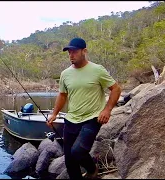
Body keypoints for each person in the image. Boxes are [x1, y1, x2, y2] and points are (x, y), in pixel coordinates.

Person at [46, 37, 121, 179]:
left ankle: (93, 170)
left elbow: (116, 89)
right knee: (69, 161)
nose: (71, 55)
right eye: (69, 52)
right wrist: (54, 114)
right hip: (71, 119)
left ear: (84, 51)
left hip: (92, 118)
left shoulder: (97, 70)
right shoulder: (65, 74)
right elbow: (62, 95)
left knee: (78, 151)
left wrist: (107, 110)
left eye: (74, 51)